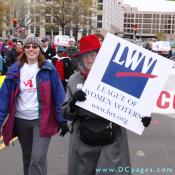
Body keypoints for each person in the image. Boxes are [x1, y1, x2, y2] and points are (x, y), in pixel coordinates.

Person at [62, 34, 151, 175]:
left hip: (112, 140)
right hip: (83, 140)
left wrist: (141, 118)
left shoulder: (116, 77)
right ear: (80, 58)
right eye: (86, 55)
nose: (89, 58)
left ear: (100, 55)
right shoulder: (74, 80)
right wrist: (73, 104)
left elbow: (131, 103)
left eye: (93, 54)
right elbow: (65, 111)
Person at [0, 35, 69, 175]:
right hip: (21, 121)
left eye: (34, 46)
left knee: (37, 158)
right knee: (28, 158)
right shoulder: (15, 70)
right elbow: (3, 99)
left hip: (42, 120)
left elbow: (59, 95)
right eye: (28, 46)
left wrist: (62, 119)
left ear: (39, 49)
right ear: (23, 49)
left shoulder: (49, 69)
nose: (31, 49)